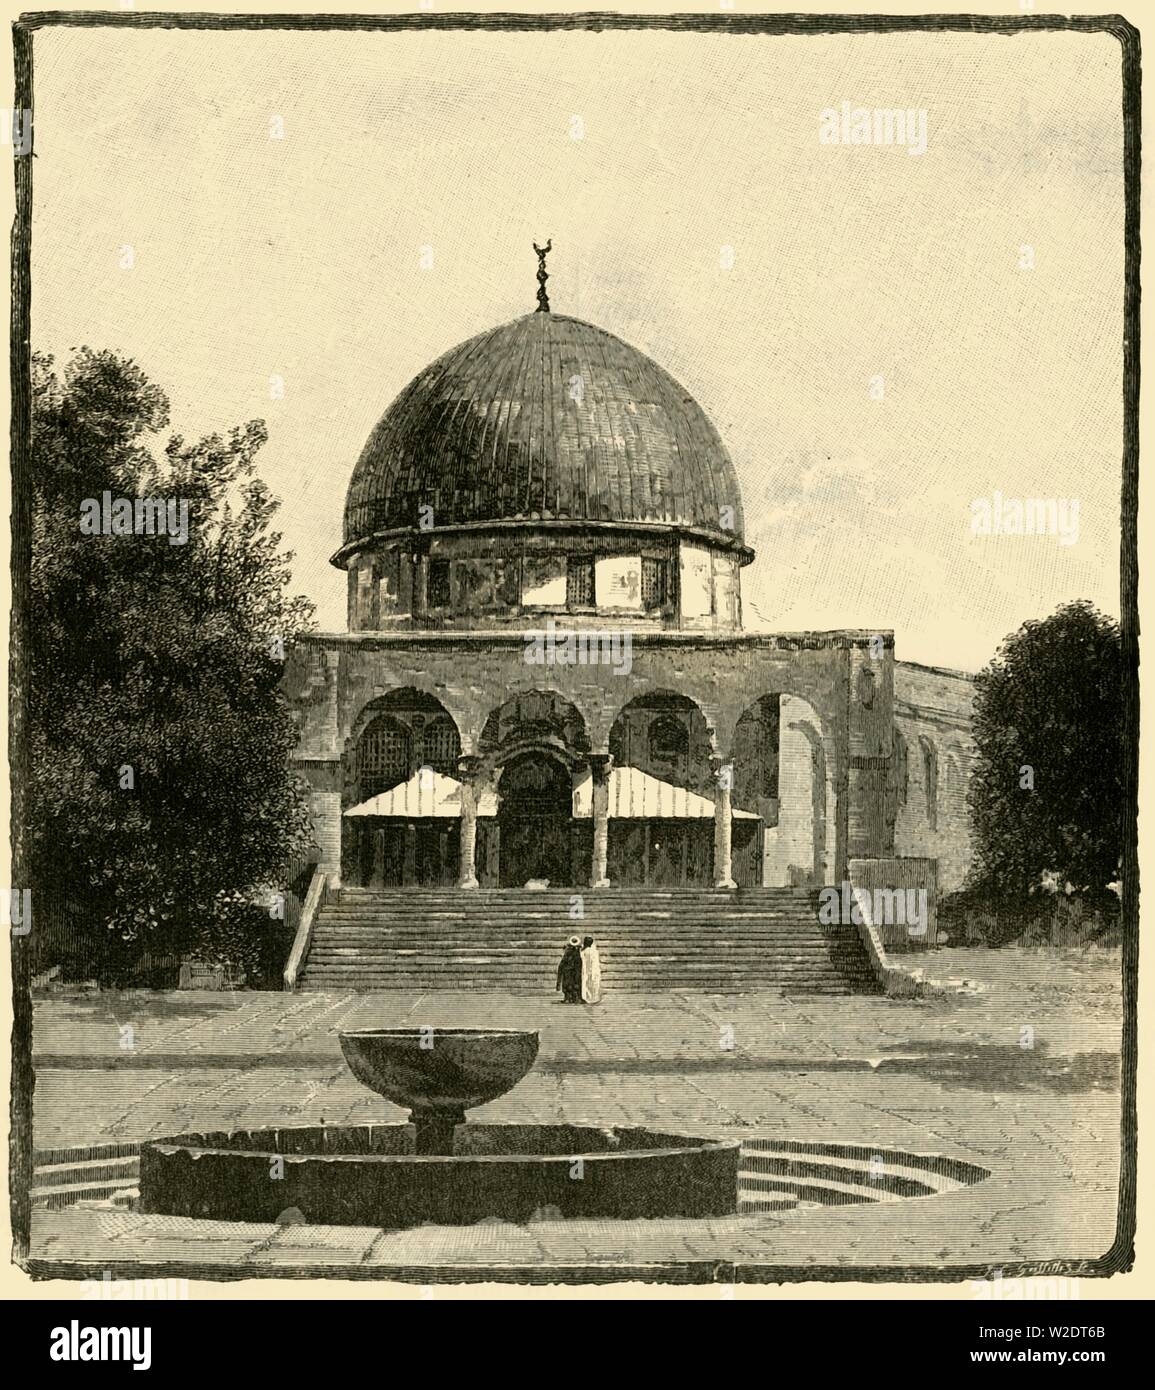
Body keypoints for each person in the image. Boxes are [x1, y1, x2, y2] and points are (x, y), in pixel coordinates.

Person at [556, 936, 583, 1003]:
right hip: (573, 971)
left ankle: (569, 998)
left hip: (568, 971)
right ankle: (572, 998)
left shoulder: (568, 952)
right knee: (572, 983)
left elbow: (562, 963)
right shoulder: (577, 953)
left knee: (568, 984)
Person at [581, 934, 602, 1004]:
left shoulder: (583, 951)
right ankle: (594, 998)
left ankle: (587, 998)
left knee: (586, 984)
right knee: (593, 984)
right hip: (593, 969)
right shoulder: (595, 951)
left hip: (586, 969)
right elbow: (596, 963)